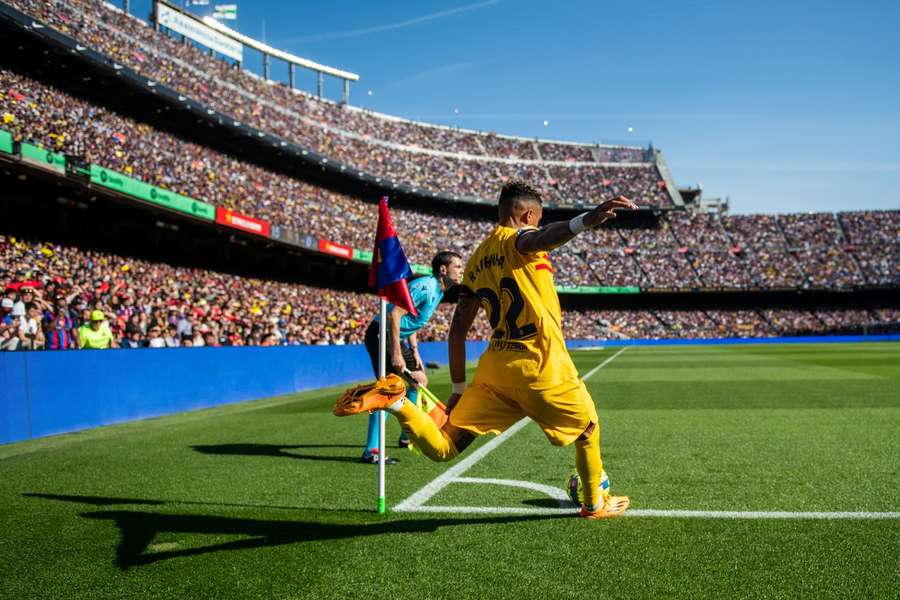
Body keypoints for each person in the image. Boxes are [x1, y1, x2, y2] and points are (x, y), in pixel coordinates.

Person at [335, 181, 637, 519]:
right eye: (536, 218)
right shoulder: (520, 240)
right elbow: (538, 238)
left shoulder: (477, 259)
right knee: (588, 429)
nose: (536, 225)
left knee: (445, 446)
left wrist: (458, 388)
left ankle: (397, 402)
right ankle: (594, 501)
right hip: (542, 367)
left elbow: (458, 330)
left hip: (495, 372)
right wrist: (585, 221)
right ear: (526, 214)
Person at [359, 250, 464, 465]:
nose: (461, 271)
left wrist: (414, 350)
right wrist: (397, 353)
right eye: (458, 267)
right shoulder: (426, 287)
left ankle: (407, 435)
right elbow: (394, 315)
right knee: (388, 390)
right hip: (381, 335)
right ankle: (372, 450)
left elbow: (410, 319)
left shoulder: (439, 290)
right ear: (443, 269)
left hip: (394, 337)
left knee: (419, 381)